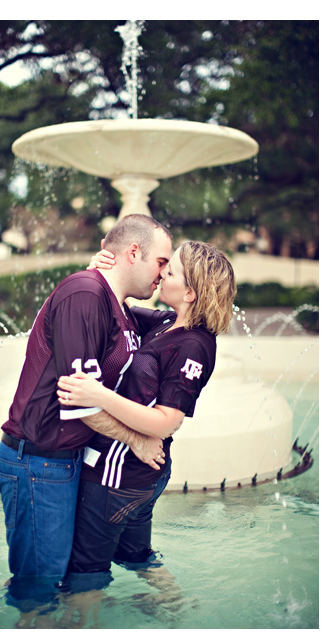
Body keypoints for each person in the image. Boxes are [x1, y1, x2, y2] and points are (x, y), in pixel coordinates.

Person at [0, 213, 173, 609]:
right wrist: (138, 440)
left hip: (66, 462)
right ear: (133, 252)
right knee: (38, 593)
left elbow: (177, 325)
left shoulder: (121, 307)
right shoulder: (86, 294)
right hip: (39, 461)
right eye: (161, 262)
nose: (163, 274)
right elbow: (77, 398)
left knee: (58, 582)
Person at [57, 241, 236, 592]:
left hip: (118, 475)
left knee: (84, 572)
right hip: (142, 472)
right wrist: (100, 272)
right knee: (134, 555)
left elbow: (168, 420)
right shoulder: (169, 322)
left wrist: (99, 395)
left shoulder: (193, 345)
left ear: (190, 293)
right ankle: (172, 607)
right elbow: (114, 304)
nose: (161, 273)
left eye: (170, 271)